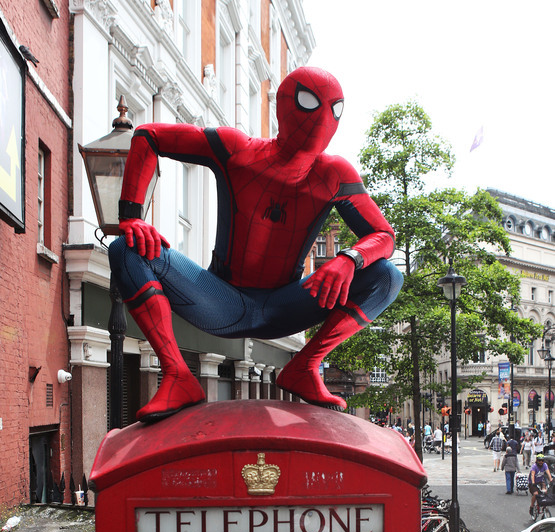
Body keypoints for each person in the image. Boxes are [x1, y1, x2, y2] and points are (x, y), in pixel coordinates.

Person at [108, 67, 403, 423]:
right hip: (221, 300)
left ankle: (305, 366)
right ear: (283, 107)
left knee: (387, 275)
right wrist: (132, 217)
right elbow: (148, 135)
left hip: (286, 306)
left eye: (335, 109)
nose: (323, 119)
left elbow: (384, 236)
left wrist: (350, 258)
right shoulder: (236, 149)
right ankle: (177, 374)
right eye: (310, 104)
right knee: (126, 248)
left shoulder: (334, 174)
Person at [529, 453, 553, 517]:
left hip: (540, 481)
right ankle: (531, 506)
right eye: (539, 460)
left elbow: (548, 472)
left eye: (542, 460)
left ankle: (544, 507)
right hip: (533, 483)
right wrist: (533, 482)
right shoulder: (534, 466)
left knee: (545, 492)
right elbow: (532, 475)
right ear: (537, 460)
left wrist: (551, 480)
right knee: (536, 494)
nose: (541, 462)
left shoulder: (544, 465)